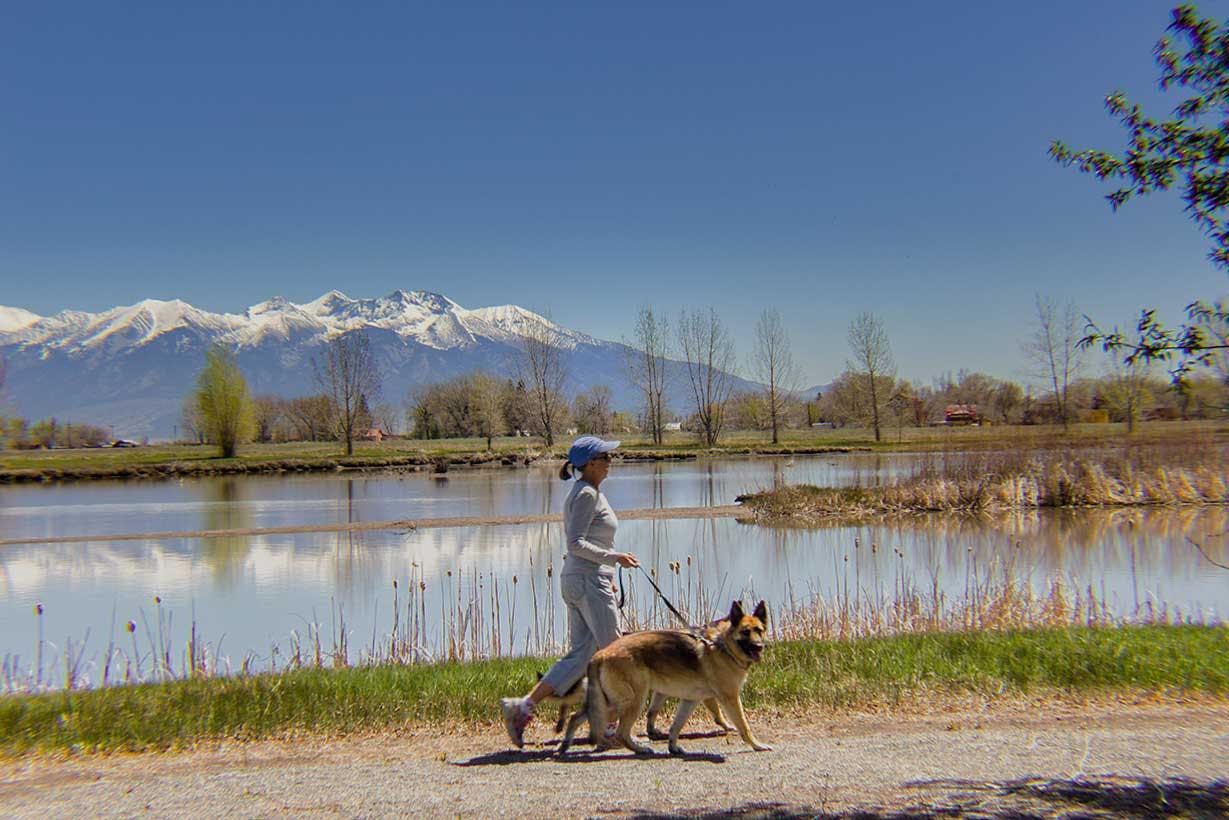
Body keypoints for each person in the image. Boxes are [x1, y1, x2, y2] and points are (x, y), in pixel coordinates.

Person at [500, 435, 639, 747]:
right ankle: (609, 723)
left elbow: (588, 542)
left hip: (585, 579)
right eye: (605, 458)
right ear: (589, 464)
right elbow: (575, 543)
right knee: (615, 652)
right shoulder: (586, 494)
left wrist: (607, 569)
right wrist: (613, 559)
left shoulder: (588, 491)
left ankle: (521, 708)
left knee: (581, 656)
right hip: (587, 581)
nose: (610, 463)